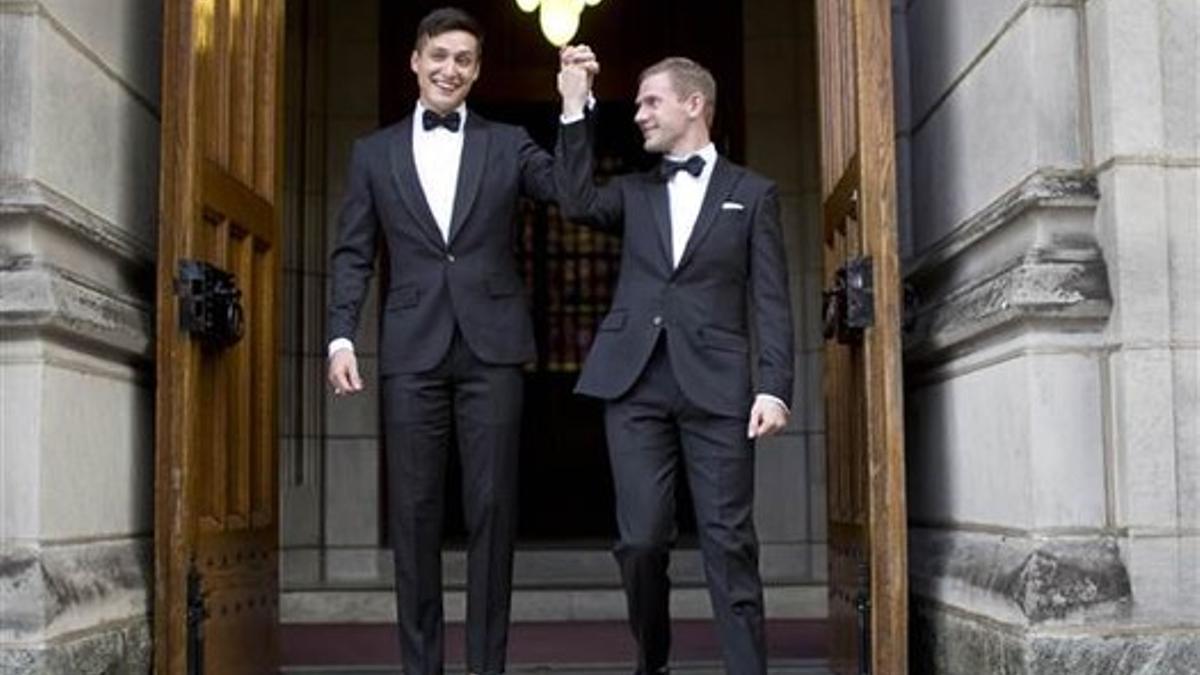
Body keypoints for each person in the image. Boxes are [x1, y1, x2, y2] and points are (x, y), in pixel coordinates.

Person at [326, 9, 593, 675]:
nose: (451, 69)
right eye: (439, 56)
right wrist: (340, 336)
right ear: (415, 60)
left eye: (464, 60)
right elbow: (353, 253)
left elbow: (571, 194)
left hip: (492, 351)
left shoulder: (508, 144)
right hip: (411, 350)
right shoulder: (373, 153)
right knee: (413, 518)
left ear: (477, 70)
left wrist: (573, 108)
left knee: (493, 513)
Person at [555, 51, 795, 674]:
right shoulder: (633, 194)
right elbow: (574, 200)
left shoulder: (753, 194)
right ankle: (653, 659)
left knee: (730, 544)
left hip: (718, 390)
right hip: (634, 385)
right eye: (636, 104)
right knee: (639, 542)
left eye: (649, 101)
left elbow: (769, 298)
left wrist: (773, 387)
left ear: (694, 104)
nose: (638, 115)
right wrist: (575, 103)